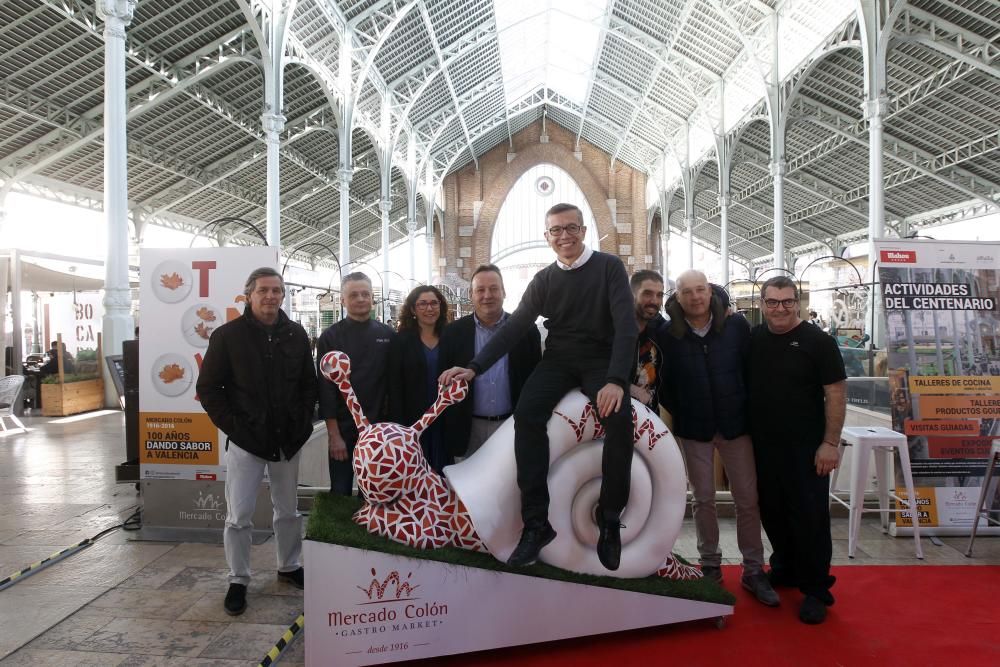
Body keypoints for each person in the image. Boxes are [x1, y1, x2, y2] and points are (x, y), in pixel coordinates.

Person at [441, 203, 637, 571]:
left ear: (583, 231)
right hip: (559, 359)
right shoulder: (545, 279)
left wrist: (616, 380)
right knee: (527, 415)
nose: (564, 236)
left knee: (620, 421)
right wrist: (474, 367)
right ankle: (536, 524)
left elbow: (626, 327)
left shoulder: (609, 267)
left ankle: (609, 518)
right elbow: (514, 328)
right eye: (556, 230)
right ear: (547, 237)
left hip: (600, 360)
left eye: (571, 228)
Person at [196, 267, 318, 617]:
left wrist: (302, 424)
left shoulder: (296, 334)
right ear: (248, 295)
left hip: (287, 441)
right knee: (239, 515)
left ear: (283, 295)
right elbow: (208, 389)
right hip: (245, 443)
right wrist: (235, 428)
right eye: (263, 290)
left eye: (276, 290)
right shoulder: (227, 336)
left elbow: (308, 386)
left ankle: (289, 565)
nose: (270, 296)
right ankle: (238, 579)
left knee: (289, 510)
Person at [658, 270, 778, 606]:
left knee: (747, 499)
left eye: (700, 290)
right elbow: (665, 383)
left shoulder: (736, 326)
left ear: (710, 292)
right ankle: (709, 563)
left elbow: (750, 368)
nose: (695, 297)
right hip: (694, 429)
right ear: (678, 297)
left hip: (736, 426)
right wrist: (684, 410)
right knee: (703, 499)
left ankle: (754, 569)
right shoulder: (670, 334)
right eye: (687, 292)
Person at [748, 275, 846, 624]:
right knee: (773, 513)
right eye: (772, 302)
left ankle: (816, 588)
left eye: (787, 302)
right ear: (762, 305)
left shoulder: (818, 342)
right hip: (763, 448)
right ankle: (785, 568)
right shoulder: (755, 338)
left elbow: (835, 392)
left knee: (810, 520)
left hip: (807, 451)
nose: (780, 309)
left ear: (798, 303)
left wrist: (830, 443)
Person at [439, 264, 541, 460]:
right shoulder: (453, 333)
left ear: (504, 292)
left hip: (511, 426)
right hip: (467, 430)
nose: (487, 295)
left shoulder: (526, 331)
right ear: (471, 294)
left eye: (494, 289)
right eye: (480, 290)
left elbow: (535, 380)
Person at [316, 273, 394, 495]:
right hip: (343, 428)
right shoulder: (329, 337)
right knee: (340, 490)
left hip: (379, 430)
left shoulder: (387, 334)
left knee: (374, 490)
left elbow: (393, 384)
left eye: (365, 294)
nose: (360, 299)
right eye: (353, 295)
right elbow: (326, 389)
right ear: (343, 300)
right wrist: (334, 435)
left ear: (372, 299)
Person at [389, 285, 451, 473]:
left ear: (440, 306)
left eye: (434, 303)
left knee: (444, 473)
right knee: (415, 472)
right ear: (413, 309)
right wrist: (399, 427)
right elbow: (394, 385)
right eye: (422, 304)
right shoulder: (401, 341)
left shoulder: (452, 336)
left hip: (445, 419)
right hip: (414, 421)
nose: (429, 308)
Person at [628, 270, 666, 410]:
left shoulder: (658, 327)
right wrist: (628, 388)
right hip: (616, 418)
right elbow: (590, 371)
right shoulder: (611, 331)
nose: (654, 301)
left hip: (650, 417)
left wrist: (721, 306)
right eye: (647, 293)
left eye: (659, 295)